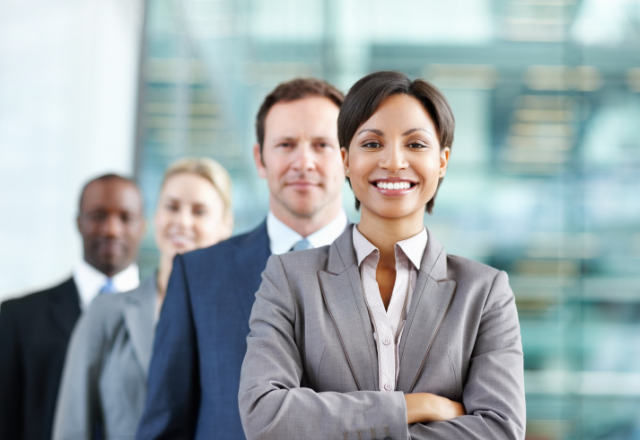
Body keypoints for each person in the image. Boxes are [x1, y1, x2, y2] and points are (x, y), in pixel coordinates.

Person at [239, 71, 526, 440]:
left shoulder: (485, 293)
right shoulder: (289, 279)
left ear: (442, 161)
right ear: (345, 160)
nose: (393, 162)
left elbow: (500, 431)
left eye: (416, 145)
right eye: (372, 144)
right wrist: (414, 407)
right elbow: (264, 416)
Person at [136, 78, 349, 440]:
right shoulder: (197, 275)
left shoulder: (392, 269)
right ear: (260, 158)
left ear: (348, 157)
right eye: (286, 144)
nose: (304, 162)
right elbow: (165, 424)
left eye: (321, 145)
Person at [52, 158, 233, 440]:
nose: (182, 222)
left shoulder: (244, 317)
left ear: (226, 225)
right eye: (171, 207)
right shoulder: (107, 312)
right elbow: (73, 427)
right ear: (155, 217)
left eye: (199, 211)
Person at [0, 174, 145, 440]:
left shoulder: (169, 314)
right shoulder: (16, 319)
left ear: (143, 226)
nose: (111, 229)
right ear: (79, 223)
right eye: (98, 216)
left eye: (125, 217)